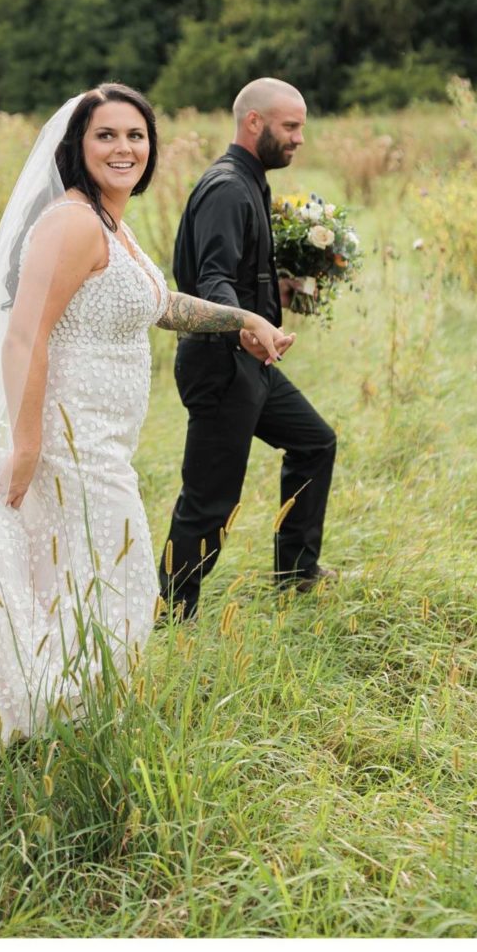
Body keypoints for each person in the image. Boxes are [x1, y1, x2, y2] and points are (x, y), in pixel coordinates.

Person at [0, 85, 291, 769]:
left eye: (136, 136)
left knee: (72, 587)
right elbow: (23, 335)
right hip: (65, 441)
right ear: (77, 147)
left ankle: (57, 735)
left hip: (104, 444)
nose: (124, 148)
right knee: (105, 586)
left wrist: (243, 320)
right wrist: (28, 445)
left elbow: (159, 305)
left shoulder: (111, 223)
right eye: (107, 136)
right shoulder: (71, 222)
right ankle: (21, 736)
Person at [158, 77, 339, 621]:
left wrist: (275, 290)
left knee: (314, 443)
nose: (299, 138)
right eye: (290, 126)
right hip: (219, 365)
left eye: (301, 127)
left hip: (251, 363)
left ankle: (295, 573)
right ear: (253, 123)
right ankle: (172, 610)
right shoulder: (228, 188)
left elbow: (235, 270)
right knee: (210, 501)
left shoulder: (251, 182)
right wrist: (244, 325)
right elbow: (211, 279)